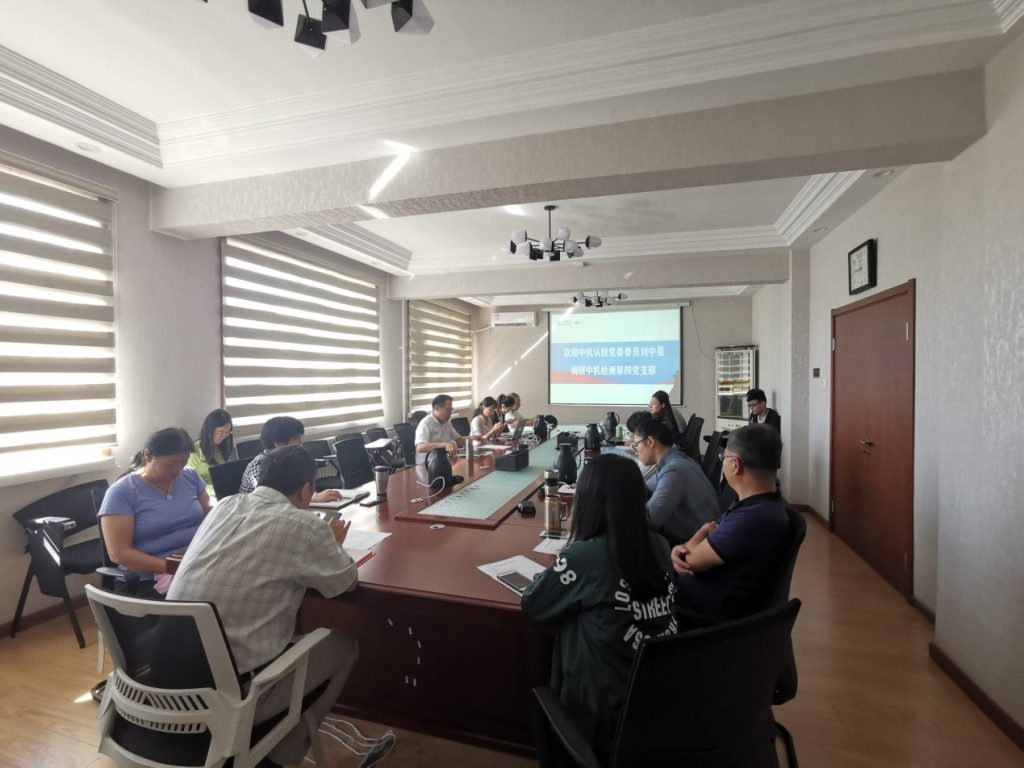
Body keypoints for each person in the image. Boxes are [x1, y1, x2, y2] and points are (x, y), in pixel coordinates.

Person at [167, 446, 358, 768]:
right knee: (344, 644)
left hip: (168, 676)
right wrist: (334, 545)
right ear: (306, 490)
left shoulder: (224, 505)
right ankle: (277, 760)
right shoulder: (306, 525)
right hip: (233, 692)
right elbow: (345, 582)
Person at [521, 454, 677, 755]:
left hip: (603, 719)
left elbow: (533, 605)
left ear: (587, 502)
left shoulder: (584, 557)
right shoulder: (660, 544)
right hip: (656, 702)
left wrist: (557, 567)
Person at [671, 423, 790, 621]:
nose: (723, 463)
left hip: (700, 614)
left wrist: (688, 542)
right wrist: (694, 541)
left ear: (735, 465)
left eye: (723, 458)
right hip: (710, 597)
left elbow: (688, 561)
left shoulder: (751, 518)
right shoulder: (758, 504)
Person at [99, 427, 212, 597]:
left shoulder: (190, 477)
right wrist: (172, 567)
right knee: (207, 602)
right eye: (171, 464)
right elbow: (119, 554)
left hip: (196, 563)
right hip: (149, 577)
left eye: (183, 462)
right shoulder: (122, 492)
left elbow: (210, 517)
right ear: (148, 456)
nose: (178, 470)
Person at [631, 419, 719, 546]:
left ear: (650, 442)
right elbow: (645, 488)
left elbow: (649, 520)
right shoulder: (675, 460)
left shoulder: (675, 470)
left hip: (692, 546)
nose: (636, 452)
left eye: (636, 445)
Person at [238, 416, 341, 502]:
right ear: (279, 444)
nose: (301, 442)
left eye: (300, 437)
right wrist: (314, 499)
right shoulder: (259, 465)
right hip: (254, 514)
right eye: (296, 438)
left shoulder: (288, 460)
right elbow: (271, 498)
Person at [414, 394, 478, 464]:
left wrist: (475, 438)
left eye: (451, 410)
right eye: (447, 409)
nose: (450, 413)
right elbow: (421, 447)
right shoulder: (425, 423)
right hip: (427, 464)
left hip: (444, 460)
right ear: (437, 408)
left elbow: (459, 440)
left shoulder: (447, 423)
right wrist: (443, 445)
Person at [187, 408, 236, 497]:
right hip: (205, 496)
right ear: (209, 429)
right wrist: (217, 489)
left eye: (226, 432)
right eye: (219, 432)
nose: (223, 436)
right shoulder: (195, 451)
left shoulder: (223, 448)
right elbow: (189, 482)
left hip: (224, 493)